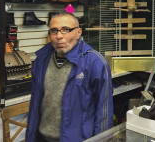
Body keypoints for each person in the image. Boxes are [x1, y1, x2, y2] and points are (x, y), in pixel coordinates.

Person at [26, 12, 113, 142]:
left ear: (78, 32)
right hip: (42, 138)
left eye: (65, 30)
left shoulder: (96, 63)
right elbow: (35, 106)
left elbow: (104, 114)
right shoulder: (41, 60)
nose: (59, 36)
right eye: (54, 31)